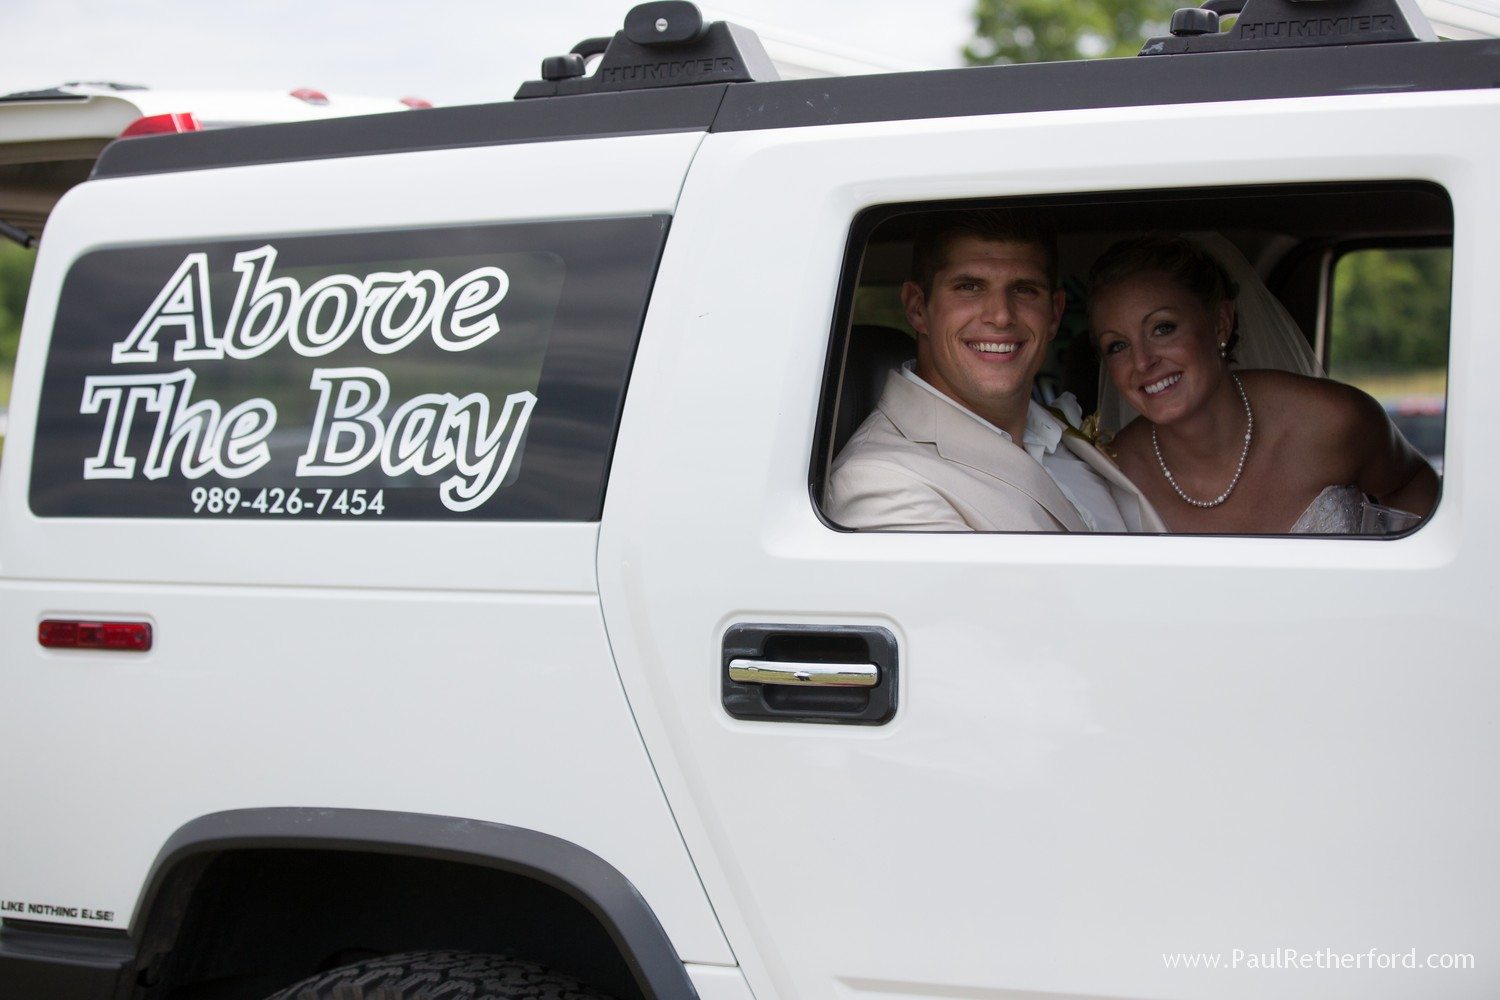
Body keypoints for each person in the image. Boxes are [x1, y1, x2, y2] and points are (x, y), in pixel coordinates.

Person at [826, 210, 1164, 532]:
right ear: (917, 308)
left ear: (1055, 313)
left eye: (1023, 289)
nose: (1001, 316)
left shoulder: (1056, 433)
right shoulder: (881, 481)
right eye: (970, 287)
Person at [1087, 234, 1438, 534]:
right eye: (1117, 346)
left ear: (1221, 323)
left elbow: (1415, 486)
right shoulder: (1116, 473)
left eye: (1163, 328)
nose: (1143, 361)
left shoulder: (1333, 421)